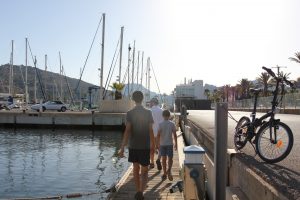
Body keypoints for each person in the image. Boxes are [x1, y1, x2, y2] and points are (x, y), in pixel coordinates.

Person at [118, 91, 155, 200]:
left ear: (133, 99)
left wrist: (122, 148)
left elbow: (127, 130)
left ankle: (138, 190)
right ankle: (141, 192)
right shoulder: (148, 112)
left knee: (135, 168)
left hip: (133, 145)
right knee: (144, 170)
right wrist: (154, 144)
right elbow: (151, 130)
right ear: (143, 99)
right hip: (145, 146)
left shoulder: (130, 113)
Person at [157, 109, 177, 181]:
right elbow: (174, 135)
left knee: (163, 159)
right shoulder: (172, 124)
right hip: (170, 144)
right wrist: (176, 144)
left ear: (162, 116)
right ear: (169, 116)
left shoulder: (160, 124)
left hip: (162, 144)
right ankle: (169, 171)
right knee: (170, 159)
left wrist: (157, 144)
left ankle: (165, 173)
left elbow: (158, 135)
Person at [149, 97, 164, 170]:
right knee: (160, 147)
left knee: (151, 148)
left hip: (151, 132)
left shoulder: (150, 111)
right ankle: (158, 159)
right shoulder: (161, 110)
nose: (150, 104)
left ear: (152, 102)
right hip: (159, 132)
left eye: (150, 102)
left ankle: (152, 162)